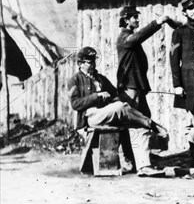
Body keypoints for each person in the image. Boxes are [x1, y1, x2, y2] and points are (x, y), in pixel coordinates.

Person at [69, 46, 169, 177]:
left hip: (110, 113)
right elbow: (75, 104)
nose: (93, 64)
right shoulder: (75, 80)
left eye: (94, 61)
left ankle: (144, 166)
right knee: (121, 107)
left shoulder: (101, 78)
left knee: (139, 125)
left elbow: (115, 96)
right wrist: (97, 97)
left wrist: (110, 99)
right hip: (92, 117)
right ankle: (153, 124)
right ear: (80, 64)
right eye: (89, 62)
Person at [116, 5, 176, 118]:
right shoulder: (124, 38)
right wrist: (157, 22)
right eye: (134, 17)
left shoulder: (129, 36)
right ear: (126, 20)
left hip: (137, 85)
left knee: (145, 117)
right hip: (130, 86)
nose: (138, 19)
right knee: (134, 119)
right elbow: (138, 37)